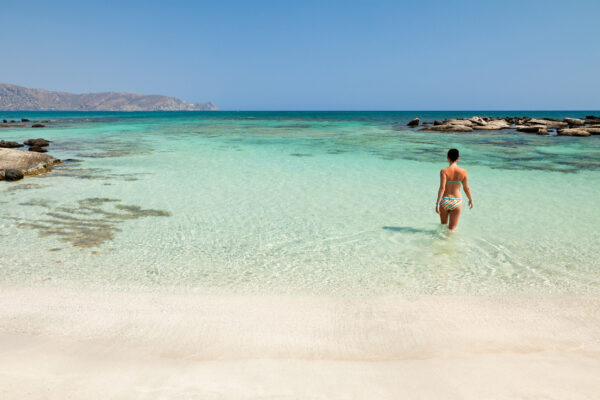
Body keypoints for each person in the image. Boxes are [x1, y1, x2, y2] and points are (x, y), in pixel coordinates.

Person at [435, 148, 473, 231]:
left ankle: (441, 242)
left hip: (444, 200)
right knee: (451, 229)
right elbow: (466, 188)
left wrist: (437, 203)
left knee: (443, 227)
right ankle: (449, 243)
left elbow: (442, 188)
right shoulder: (463, 172)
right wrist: (470, 199)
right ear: (458, 158)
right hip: (456, 201)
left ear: (448, 158)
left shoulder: (444, 171)